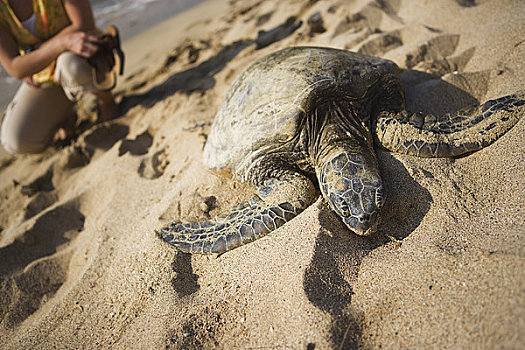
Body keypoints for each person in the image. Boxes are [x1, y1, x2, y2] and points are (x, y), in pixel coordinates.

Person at [0, 0, 123, 154]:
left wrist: (34, 55)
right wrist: (60, 44)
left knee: (70, 65)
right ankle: (65, 115)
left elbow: (84, 24)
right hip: (43, 74)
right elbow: (15, 67)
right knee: (16, 141)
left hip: (83, 55)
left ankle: (106, 99)